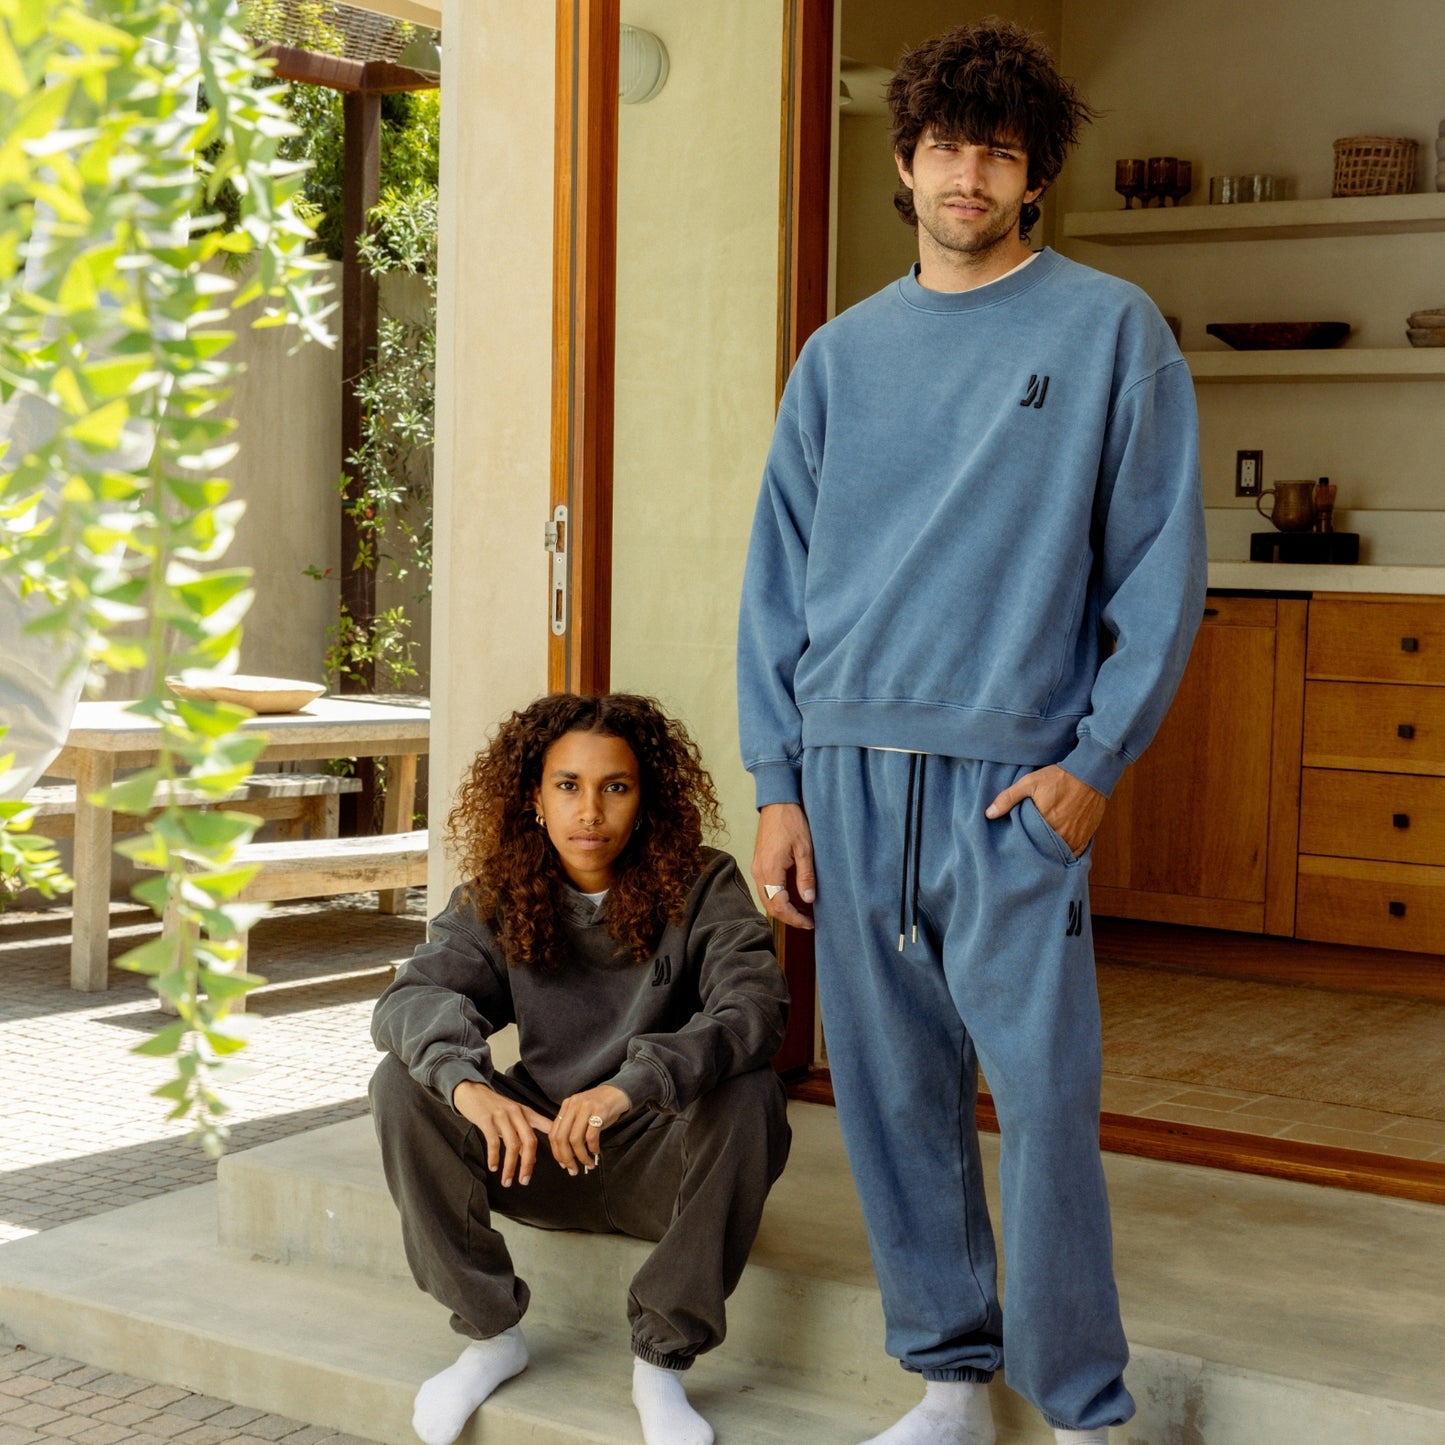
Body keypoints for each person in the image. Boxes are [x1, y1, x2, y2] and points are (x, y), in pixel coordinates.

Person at [737, 20, 1206, 1445]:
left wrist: (1094, 761)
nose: (967, 172)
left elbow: (1159, 566)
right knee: (889, 1098)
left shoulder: (1106, 329)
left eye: (997, 151)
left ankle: (1079, 1408)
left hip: (1015, 786)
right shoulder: (838, 356)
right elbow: (777, 577)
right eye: (946, 145)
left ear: (1031, 173)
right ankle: (948, 1376)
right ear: (906, 159)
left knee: (1046, 1104)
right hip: (847, 771)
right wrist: (777, 780)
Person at [370, 693, 791, 1445]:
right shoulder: (498, 894)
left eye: (615, 786)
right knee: (403, 1080)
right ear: (533, 797)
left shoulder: (705, 885)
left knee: (750, 1088)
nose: (589, 809)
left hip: (654, 1157)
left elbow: (751, 1009)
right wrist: (468, 1083)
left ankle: (660, 1359)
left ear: (646, 798)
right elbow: (413, 997)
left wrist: (632, 1084)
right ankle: (491, 1334)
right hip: (533, 1156)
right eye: (567, 784)